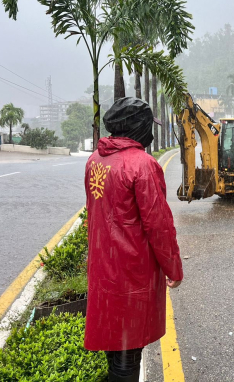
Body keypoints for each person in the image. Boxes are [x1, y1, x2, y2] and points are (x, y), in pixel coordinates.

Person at [84, 97, 183, 382]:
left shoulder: (95, 161)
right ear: (139, 127)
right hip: (131, 278)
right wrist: (173, 269)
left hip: (103, 273)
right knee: (127, 360)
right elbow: (159, 226)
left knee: (115, 351)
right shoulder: (143, 165)